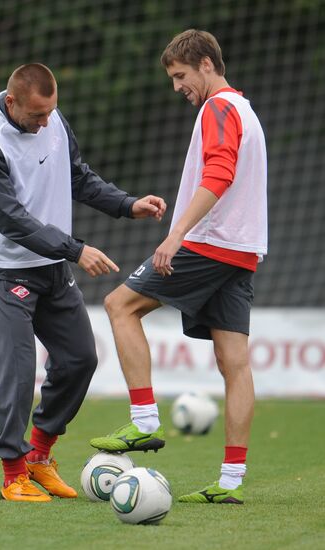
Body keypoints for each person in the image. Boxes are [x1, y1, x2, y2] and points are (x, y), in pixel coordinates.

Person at [0, 63, 166, 502]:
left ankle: (39, 456)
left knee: (79, 360)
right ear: (12, 101)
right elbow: (11, 220)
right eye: (37, 115)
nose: (46, 122)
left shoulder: (53, 121)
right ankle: (13, 474)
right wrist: (75, 249)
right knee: (17, 374)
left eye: (51, 111)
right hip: (6, 271)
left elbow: (77, 177)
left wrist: (127, 205)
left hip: (51, 270)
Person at [90, 29, 267, 505]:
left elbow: (219, 174)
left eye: (181, 75)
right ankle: (229, 482)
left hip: (210, 243)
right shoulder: (246, 111)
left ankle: (144, 422)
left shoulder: (220, 107)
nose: (178, 87)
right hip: (244, 250)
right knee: (235, 363)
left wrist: (175, 235)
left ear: (207, 64)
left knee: (119, 305)